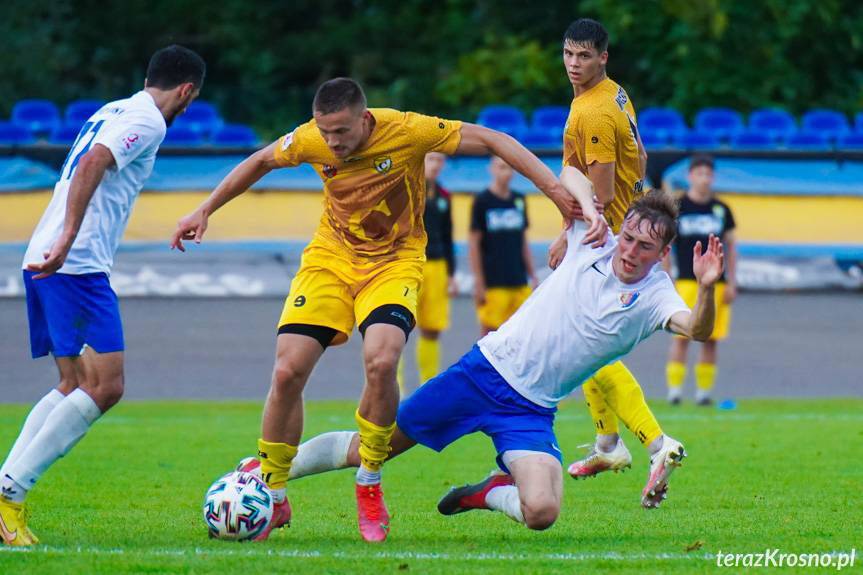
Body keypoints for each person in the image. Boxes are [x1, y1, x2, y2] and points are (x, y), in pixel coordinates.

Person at [170, 77, 582, 543]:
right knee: (287, 371)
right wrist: (205, 209)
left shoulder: (408, 130)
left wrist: (553, 190)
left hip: (394, 262)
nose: (332, 142)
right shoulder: (311, 138)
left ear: (365, 119)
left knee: (383, 360)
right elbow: (263, 159)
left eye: (342, 131)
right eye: (326, 133)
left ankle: (368, 479)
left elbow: (493, 138)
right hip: (330, 260)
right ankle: (275, 490)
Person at [240, 180, 724, 531]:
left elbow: (698, 329)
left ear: (662, 255)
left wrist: (705, 287)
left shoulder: (659, 296)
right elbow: (571, 174)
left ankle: (491, 492)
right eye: (629, 237)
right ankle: (261, 471)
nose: (630, 250)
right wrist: (588, 209)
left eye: (644, 246)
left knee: (543, 512)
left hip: (531, 409)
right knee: (372, 449)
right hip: (480, 373)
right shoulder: (592, 238)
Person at [0, 45, 205, 546]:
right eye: (189, 101)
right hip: (76, 263)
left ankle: (4, 491)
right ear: (187, 91)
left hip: (46, 258)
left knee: (74, 384)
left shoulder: (111, 108)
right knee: (106, 386)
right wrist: (70, 236)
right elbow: (94, 161)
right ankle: (10, 494)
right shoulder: (150, 120)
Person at [546, 18, 674, 507]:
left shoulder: (595, 112)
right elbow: (639, 156)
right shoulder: (616, 95)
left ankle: (655, 444)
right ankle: (607, 443)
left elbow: (595, 195)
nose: (574, 65)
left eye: (584, 57)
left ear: (603, 57)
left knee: (582, 343)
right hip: (621, 230)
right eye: (568, 54)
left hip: (603, 240)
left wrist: (567, 236)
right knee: (582, 346)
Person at [664, 155, 737, 405]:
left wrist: (732, 282)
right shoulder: (677, 206)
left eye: (708, 174)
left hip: (716, 282)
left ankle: (703, 393)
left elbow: (730, 246)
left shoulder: (721, 209)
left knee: (710, 337)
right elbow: (666, 245)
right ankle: (674, 391)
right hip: (686, 281)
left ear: (713, 177)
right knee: (681, 335)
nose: (704, 179)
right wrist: (667, 277)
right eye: (699, 174)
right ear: (690, 176)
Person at [470, 156, 539, 337]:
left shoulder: (519, 200)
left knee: (522, 333)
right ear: (491, 169)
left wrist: (532, 275)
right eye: (501, 167)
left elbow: (523, 239)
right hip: (493, 282)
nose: (506, 173)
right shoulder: (482, 201)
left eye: (509, 168)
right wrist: (479, 282)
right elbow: (474, 243)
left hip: (518, 279)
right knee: (490, 334)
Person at [410, 152, 457, 388]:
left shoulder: (445, 195)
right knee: (396, 328)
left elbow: (449, 237)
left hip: (437, 266)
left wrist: (451, 274)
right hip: (411, 264)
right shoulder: (407, 191)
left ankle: (426, 385)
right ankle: (394, 384)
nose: (436, 165)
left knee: (432, 328)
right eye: (431, 159)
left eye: (440, 160)